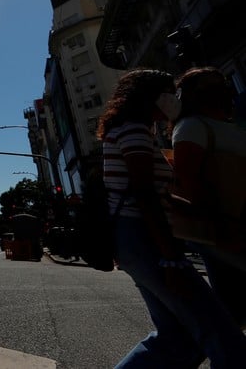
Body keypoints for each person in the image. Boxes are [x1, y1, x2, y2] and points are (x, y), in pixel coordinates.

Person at [98, 69, 246, 367]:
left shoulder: (136, 131)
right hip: (144, 236)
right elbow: (144, 194)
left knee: (176, 338)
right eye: (169, 92)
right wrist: (170, 257)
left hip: (137, 238)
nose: (175, 99)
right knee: (220, 331)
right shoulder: (134, 130)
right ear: (150, 96)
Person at [172, 67, 246, 325]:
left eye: (222, 83)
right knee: (234, 311)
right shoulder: (192, 126)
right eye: (210, 85)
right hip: (227, 227)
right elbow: (189, 178)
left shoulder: (232, 126)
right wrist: (219, 224)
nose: (221, 89)